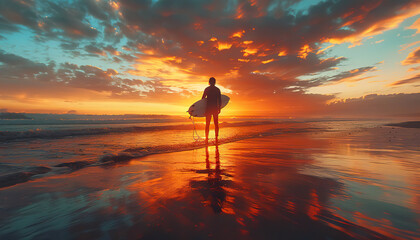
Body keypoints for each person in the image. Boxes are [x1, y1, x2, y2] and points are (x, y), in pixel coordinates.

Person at [202, 77, 222, 143]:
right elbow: (220, 100)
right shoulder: (217, 89)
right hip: (215, 108)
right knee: (216, 124)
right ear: (215, 82)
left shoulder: (207, 89)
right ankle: (216, 137)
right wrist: (219, 109)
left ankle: (206, 138)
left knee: (207, 124)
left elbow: (202, 99)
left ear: (209, 82)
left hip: (208, 109)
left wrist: (202, 109)